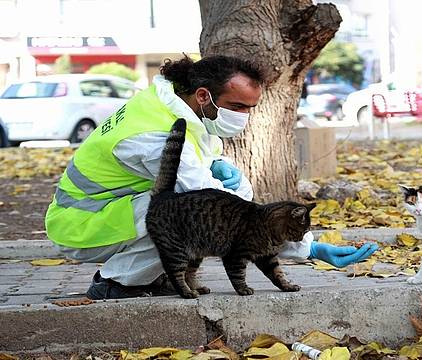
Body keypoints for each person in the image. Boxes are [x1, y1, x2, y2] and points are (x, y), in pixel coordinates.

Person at [44, 55, 378, 300]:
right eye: (238, 106)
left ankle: (153, 276)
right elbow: (220, 212)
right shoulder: (153, 136)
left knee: (219, 195)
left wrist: (232, 179)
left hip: (109, 211)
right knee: (183, 215)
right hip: (80, 226)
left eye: (250, 108)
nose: (244, 117)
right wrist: (309, 248)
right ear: (203, 95)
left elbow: (228, 196)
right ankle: (114, 283)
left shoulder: (175, 107)